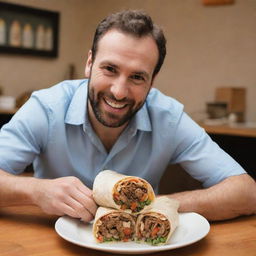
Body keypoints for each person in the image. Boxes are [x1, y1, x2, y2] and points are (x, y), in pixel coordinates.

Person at [0, 10, 255, 222]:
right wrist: (35, 190)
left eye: (137, 77)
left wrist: (156, 205)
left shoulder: (169, 118)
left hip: (139, 246)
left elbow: (246, 192)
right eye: (110, 69)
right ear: (90, 63)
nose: (119, 92)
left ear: (152, 80)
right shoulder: (46, 107)